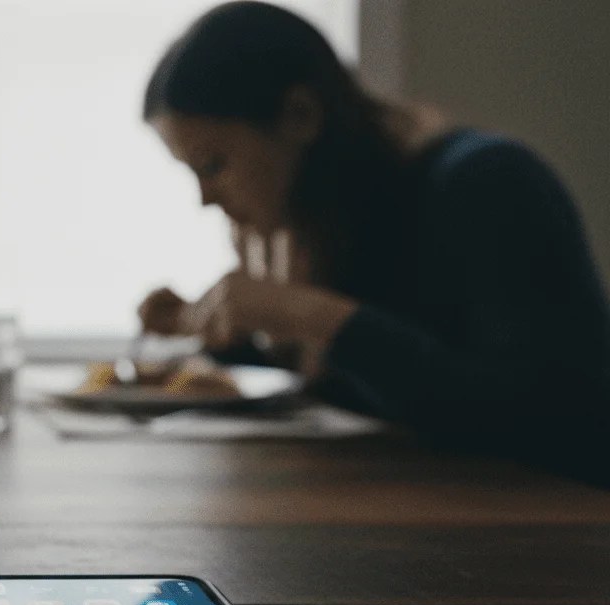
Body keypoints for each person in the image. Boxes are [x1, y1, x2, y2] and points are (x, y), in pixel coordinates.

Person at [136, 1, 610, 485]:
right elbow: (369, 390)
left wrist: (314, 316)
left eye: (213, 165)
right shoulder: (331, 226)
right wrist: (228, 340)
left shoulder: (488, 184)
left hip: (551, 533)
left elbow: (552, 417)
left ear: (300, 116)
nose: (204, 198)